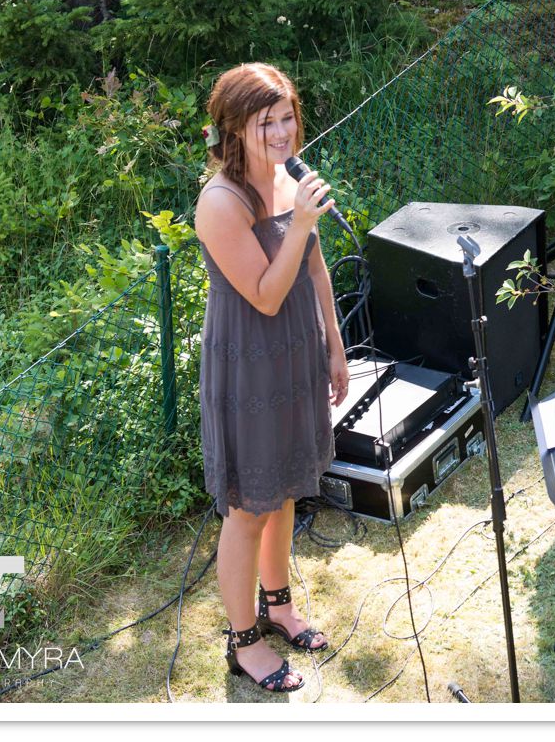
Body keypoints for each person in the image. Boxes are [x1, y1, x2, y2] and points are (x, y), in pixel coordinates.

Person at [195, 62, 350, 692]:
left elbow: (314, 274)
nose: (284, 131)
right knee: (248, 510)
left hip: (296, 356)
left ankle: (279, 604)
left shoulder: (293, 180)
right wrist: (304, 223)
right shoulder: (221, 203)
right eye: (268, 122)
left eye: (288, 116)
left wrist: (335, 349)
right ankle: (243, 643)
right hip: (249, 368)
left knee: (285, 490)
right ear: (233, 129)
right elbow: (263, 294)